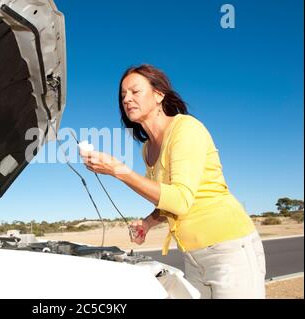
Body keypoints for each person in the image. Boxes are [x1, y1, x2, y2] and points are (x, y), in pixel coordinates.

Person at [79, 64, 266, 299]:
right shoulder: (147, 149)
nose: (127, 99)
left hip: (229, 249)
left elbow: (180, 200)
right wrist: (147, 223)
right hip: (193, 255)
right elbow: (166, 199)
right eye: (123, 95)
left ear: (159, 95)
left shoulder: (186, 129)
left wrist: (119, 171)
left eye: (135, 92)